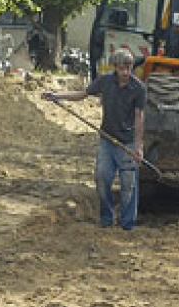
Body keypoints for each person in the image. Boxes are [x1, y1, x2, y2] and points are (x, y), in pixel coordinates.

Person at [42, 48, 146, 230]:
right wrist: (57, 96)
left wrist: (138, 147)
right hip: (107, 139)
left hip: (126, 143)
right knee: (102, 177)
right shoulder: (105, 82)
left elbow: (139, 118)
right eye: (122, 69)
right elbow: (82, 95)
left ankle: (127, 223)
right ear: (115, 67)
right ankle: (106, 217)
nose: (125, 73)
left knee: (128, 184)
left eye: (129, 68)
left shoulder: (138, 88)